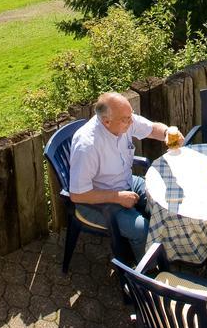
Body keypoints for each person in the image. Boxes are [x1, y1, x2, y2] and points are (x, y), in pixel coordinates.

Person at [67, 91, 173, 259]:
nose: (131, 122)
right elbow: (77, 195)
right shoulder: (88, 145)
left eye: (130, 116)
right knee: (141, 229)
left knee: (164, 201)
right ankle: (146, 275)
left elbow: (153, 129)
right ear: (106, 121)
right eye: (126, 119)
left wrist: (168, 132)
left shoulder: (124, 119)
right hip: (96, 201)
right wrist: (117, 197)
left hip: (126, 181)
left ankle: (169, 250)